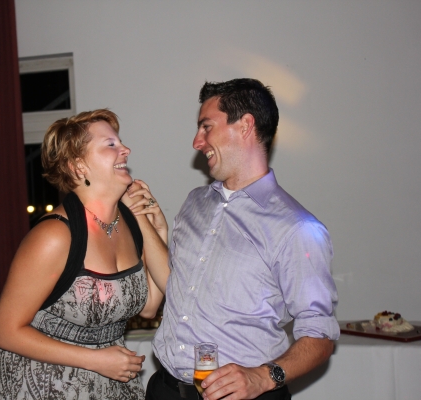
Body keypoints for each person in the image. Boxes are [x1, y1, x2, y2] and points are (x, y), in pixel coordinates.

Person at [146, 79, 340, 400]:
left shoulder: (298, 227)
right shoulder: (194, 203)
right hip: (165, 390)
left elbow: (320, 335)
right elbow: (177, 287)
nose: (197, 141)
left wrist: (264, 377)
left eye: (206, 127)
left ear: (246, 125)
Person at [0, 109, 169, 400]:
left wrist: (157, 231)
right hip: (44, 384)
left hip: (111, 382)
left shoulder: (130, 224)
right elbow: (4, 331)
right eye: (110, 144)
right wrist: (95, 360)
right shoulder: (54, 236)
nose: (125, 150)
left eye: (120, 142)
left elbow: (148, 307)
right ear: (78, 166)